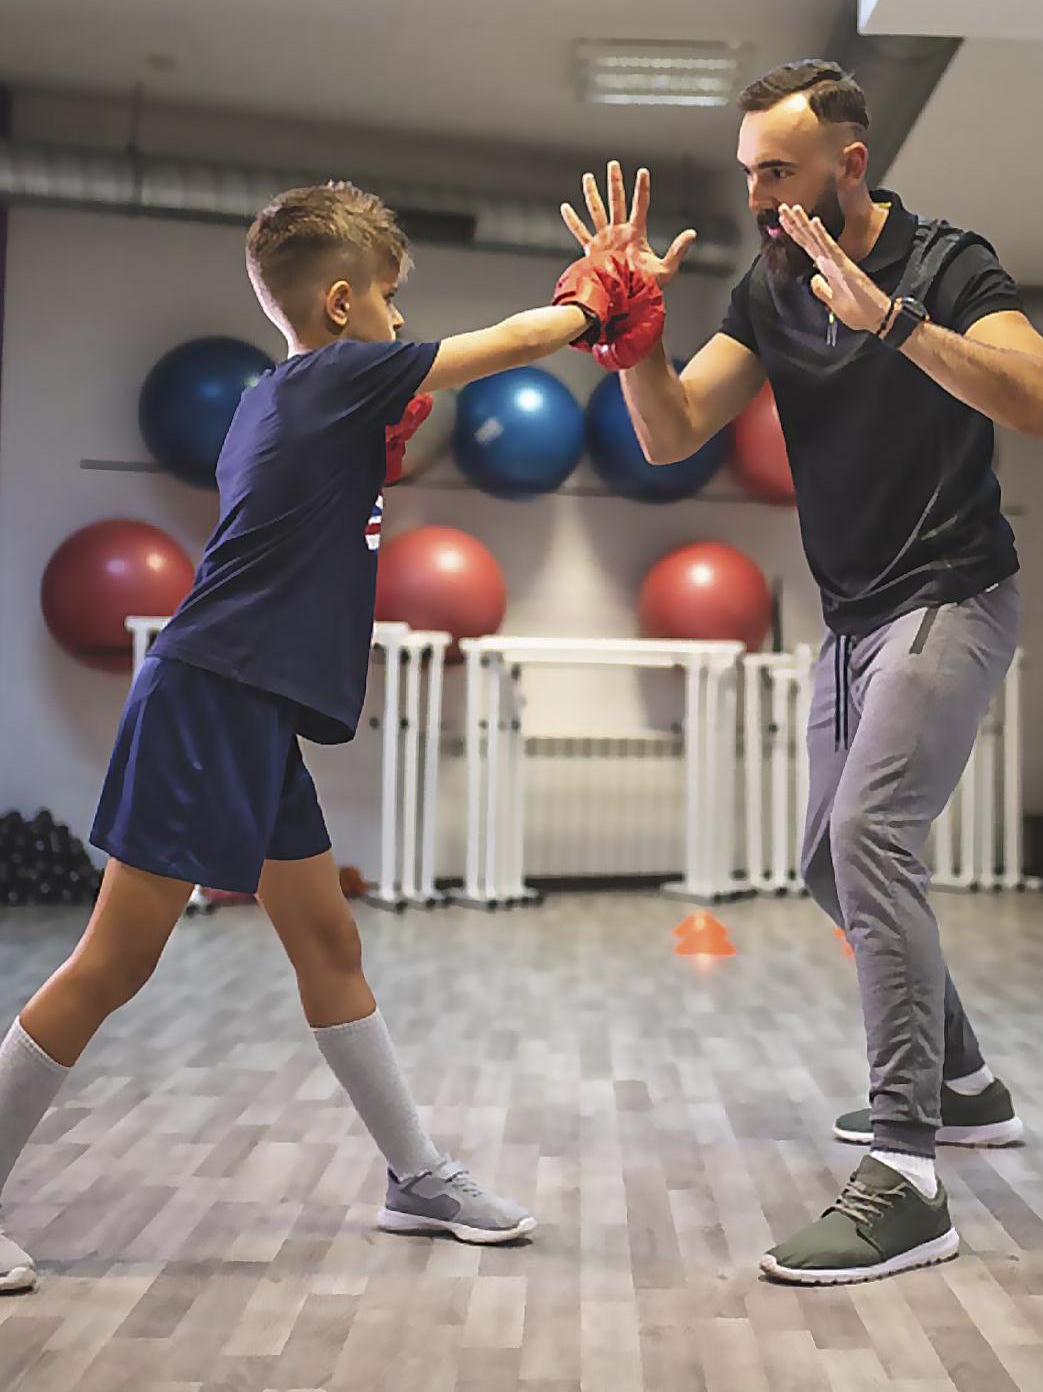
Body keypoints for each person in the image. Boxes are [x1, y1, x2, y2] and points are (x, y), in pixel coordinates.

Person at [0, 181, 656, 1294]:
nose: (403, 324)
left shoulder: (279, 396)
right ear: (345, 305)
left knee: (329, 946)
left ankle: (417, 1176)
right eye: (394, 302)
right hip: (210, 699)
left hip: (250, 710)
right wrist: (596, 305)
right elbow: (501, 347)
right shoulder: (341, 372)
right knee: (115, 961)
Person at [561, 60, 1043, 1285]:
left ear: (850, 163)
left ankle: (906, 1177)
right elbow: (674, 430)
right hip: (852, 617)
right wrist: (638, 341)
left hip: (954, 589)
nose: (757, 193)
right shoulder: (770, 283)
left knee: (873, 835)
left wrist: (893, 323)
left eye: (778, 170)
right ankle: (965, 1084)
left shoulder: (949, 262)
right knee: (822, 860)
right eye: (747, 173)